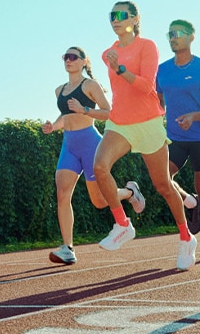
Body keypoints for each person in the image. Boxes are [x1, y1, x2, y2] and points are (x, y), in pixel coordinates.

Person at [93, 1, 197, 271]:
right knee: (100, 167)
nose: (115, 20)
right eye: (111, 15)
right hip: (120, 122)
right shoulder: (108, 53)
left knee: (163, 185)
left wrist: (120, 69)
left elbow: (146, 86)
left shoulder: (147, 46)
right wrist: (115, 65)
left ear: (135, 18)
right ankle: (122, 224)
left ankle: (186, 238)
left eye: (121, 15)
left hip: (148, 122)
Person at [43, 46, 146, 265]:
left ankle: (130, 192)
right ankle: (68, 248)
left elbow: (109, 112)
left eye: (73, 57)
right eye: (65, 57)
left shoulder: (90, 85)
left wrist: (84, 110)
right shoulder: (59, 90)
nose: (68, 60)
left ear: (83, 61)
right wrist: (53, 126)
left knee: (99, 201)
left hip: (91, 144)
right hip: (69, 146)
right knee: (62, 194)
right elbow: (64, 116)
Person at [156, 19, 200, 261]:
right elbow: (158, 101)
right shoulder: (162, 70)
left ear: (191, 37)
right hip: (174, 138)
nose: (173, 38)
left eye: (178, 33)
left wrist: (194, 116)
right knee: (161, 179)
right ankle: (189, 202)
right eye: (170, 34)